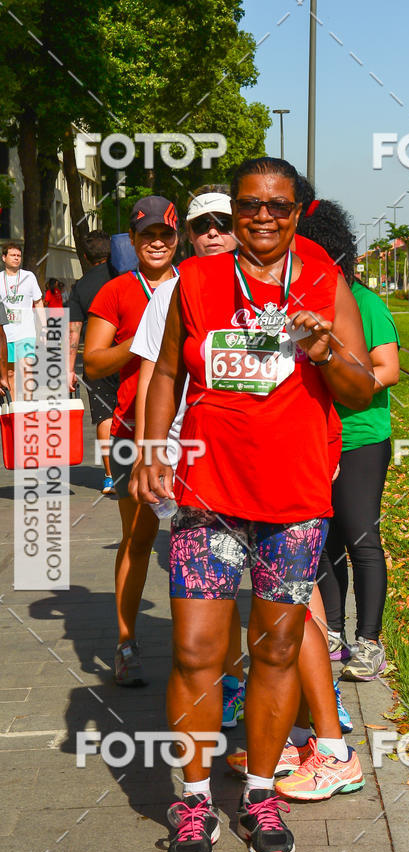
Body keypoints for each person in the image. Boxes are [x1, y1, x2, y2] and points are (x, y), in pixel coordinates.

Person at [130, 157, 373, 852]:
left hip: (294, 501)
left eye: (278, 206)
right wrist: (150, 445)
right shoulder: (197, 280)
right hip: (209, 495)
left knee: (273, 649)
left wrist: (326, 349)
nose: (262, 218)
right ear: (233, 212)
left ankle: (260, 792)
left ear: (300, 208)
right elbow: (169, 369)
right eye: (248, 207)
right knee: (196, 651)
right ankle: (197, 799)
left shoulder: (325, 278)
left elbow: (359, 390)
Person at [130, 188, 245, 725]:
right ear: (189, 239)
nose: (214, 234)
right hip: (192, 461)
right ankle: (227, 685)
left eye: (225, 222)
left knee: (288, 592)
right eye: (203, 227)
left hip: (266, 464)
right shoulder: (171, 293)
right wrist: (150, 452)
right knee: (211, 585)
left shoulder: (271, 287)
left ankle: (318, 715)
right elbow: (157, 374)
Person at [297, 200, 400, 681]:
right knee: (325, 541)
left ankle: (370, 642)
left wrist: (347, 383)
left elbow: (388, 369)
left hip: (360, 437)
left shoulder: (364, 301)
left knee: (361, 537)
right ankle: (333, 631)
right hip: (315, 438)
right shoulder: (298, 302)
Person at [83, 196, 179, 686]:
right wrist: (138, 339)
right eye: (148, 236)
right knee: (139, 539)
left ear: (176, 238)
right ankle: (126, 642)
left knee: (202, 541)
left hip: (194, 435)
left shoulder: (197, 285)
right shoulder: (116, 291)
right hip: (130, 433)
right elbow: (93, 363)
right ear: (134, 241)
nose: (157, 243)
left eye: (165, 234)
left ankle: (204, 653)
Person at [69, 230, 119, 494]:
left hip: (96, 358)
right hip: (128, 351)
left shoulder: (81, 286)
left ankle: (111, 476)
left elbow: (73, 331)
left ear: (86, 257)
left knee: (104, 414)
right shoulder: (126, 275)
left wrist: (68, 370)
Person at [1, 242, 44, 399]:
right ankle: (14, 409)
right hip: (6, 335)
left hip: (26, 332)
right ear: (4, 257)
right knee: (10, 373)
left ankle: (27, 407)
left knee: (26, 370)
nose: (16, 258)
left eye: (19, 255)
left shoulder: (29, 277)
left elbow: (38, 302)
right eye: (13, 255)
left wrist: (44, 328)